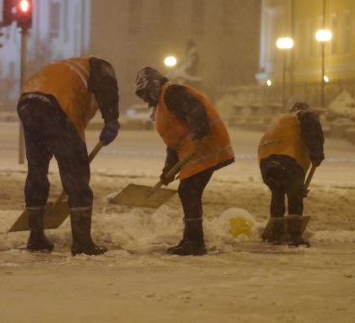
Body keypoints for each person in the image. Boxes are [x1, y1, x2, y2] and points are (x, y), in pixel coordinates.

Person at [18, 56, 120, 256]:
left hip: (28, 102)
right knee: (76, 177)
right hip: (57, 104)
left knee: (37, 170)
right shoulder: (98, 65)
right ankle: (82, 243)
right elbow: (108, 89)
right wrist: (111, 119)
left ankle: (36, 237)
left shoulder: (65, 68)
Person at [134, 67, 235, 256]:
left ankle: (195, 242)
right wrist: (168, 170)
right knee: (189, 190)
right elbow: (174, 143)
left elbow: (195, 108)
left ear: (153, 86)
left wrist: (200, 132)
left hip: (205, 145)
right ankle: (191, 240)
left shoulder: (171, 92)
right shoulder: (162, 106)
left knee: (189, 190)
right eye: (142, 95)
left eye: (146, 93)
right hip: (194, 148)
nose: (145, 98)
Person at [258, 102, 324, 247]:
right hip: (288, 158)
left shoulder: (282, 120)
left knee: (278, 193)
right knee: (295, 197)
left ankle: (277, 234)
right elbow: (313, 129)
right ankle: (293, 236)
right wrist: (317, 154)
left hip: (266, 161)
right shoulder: (304, 115)